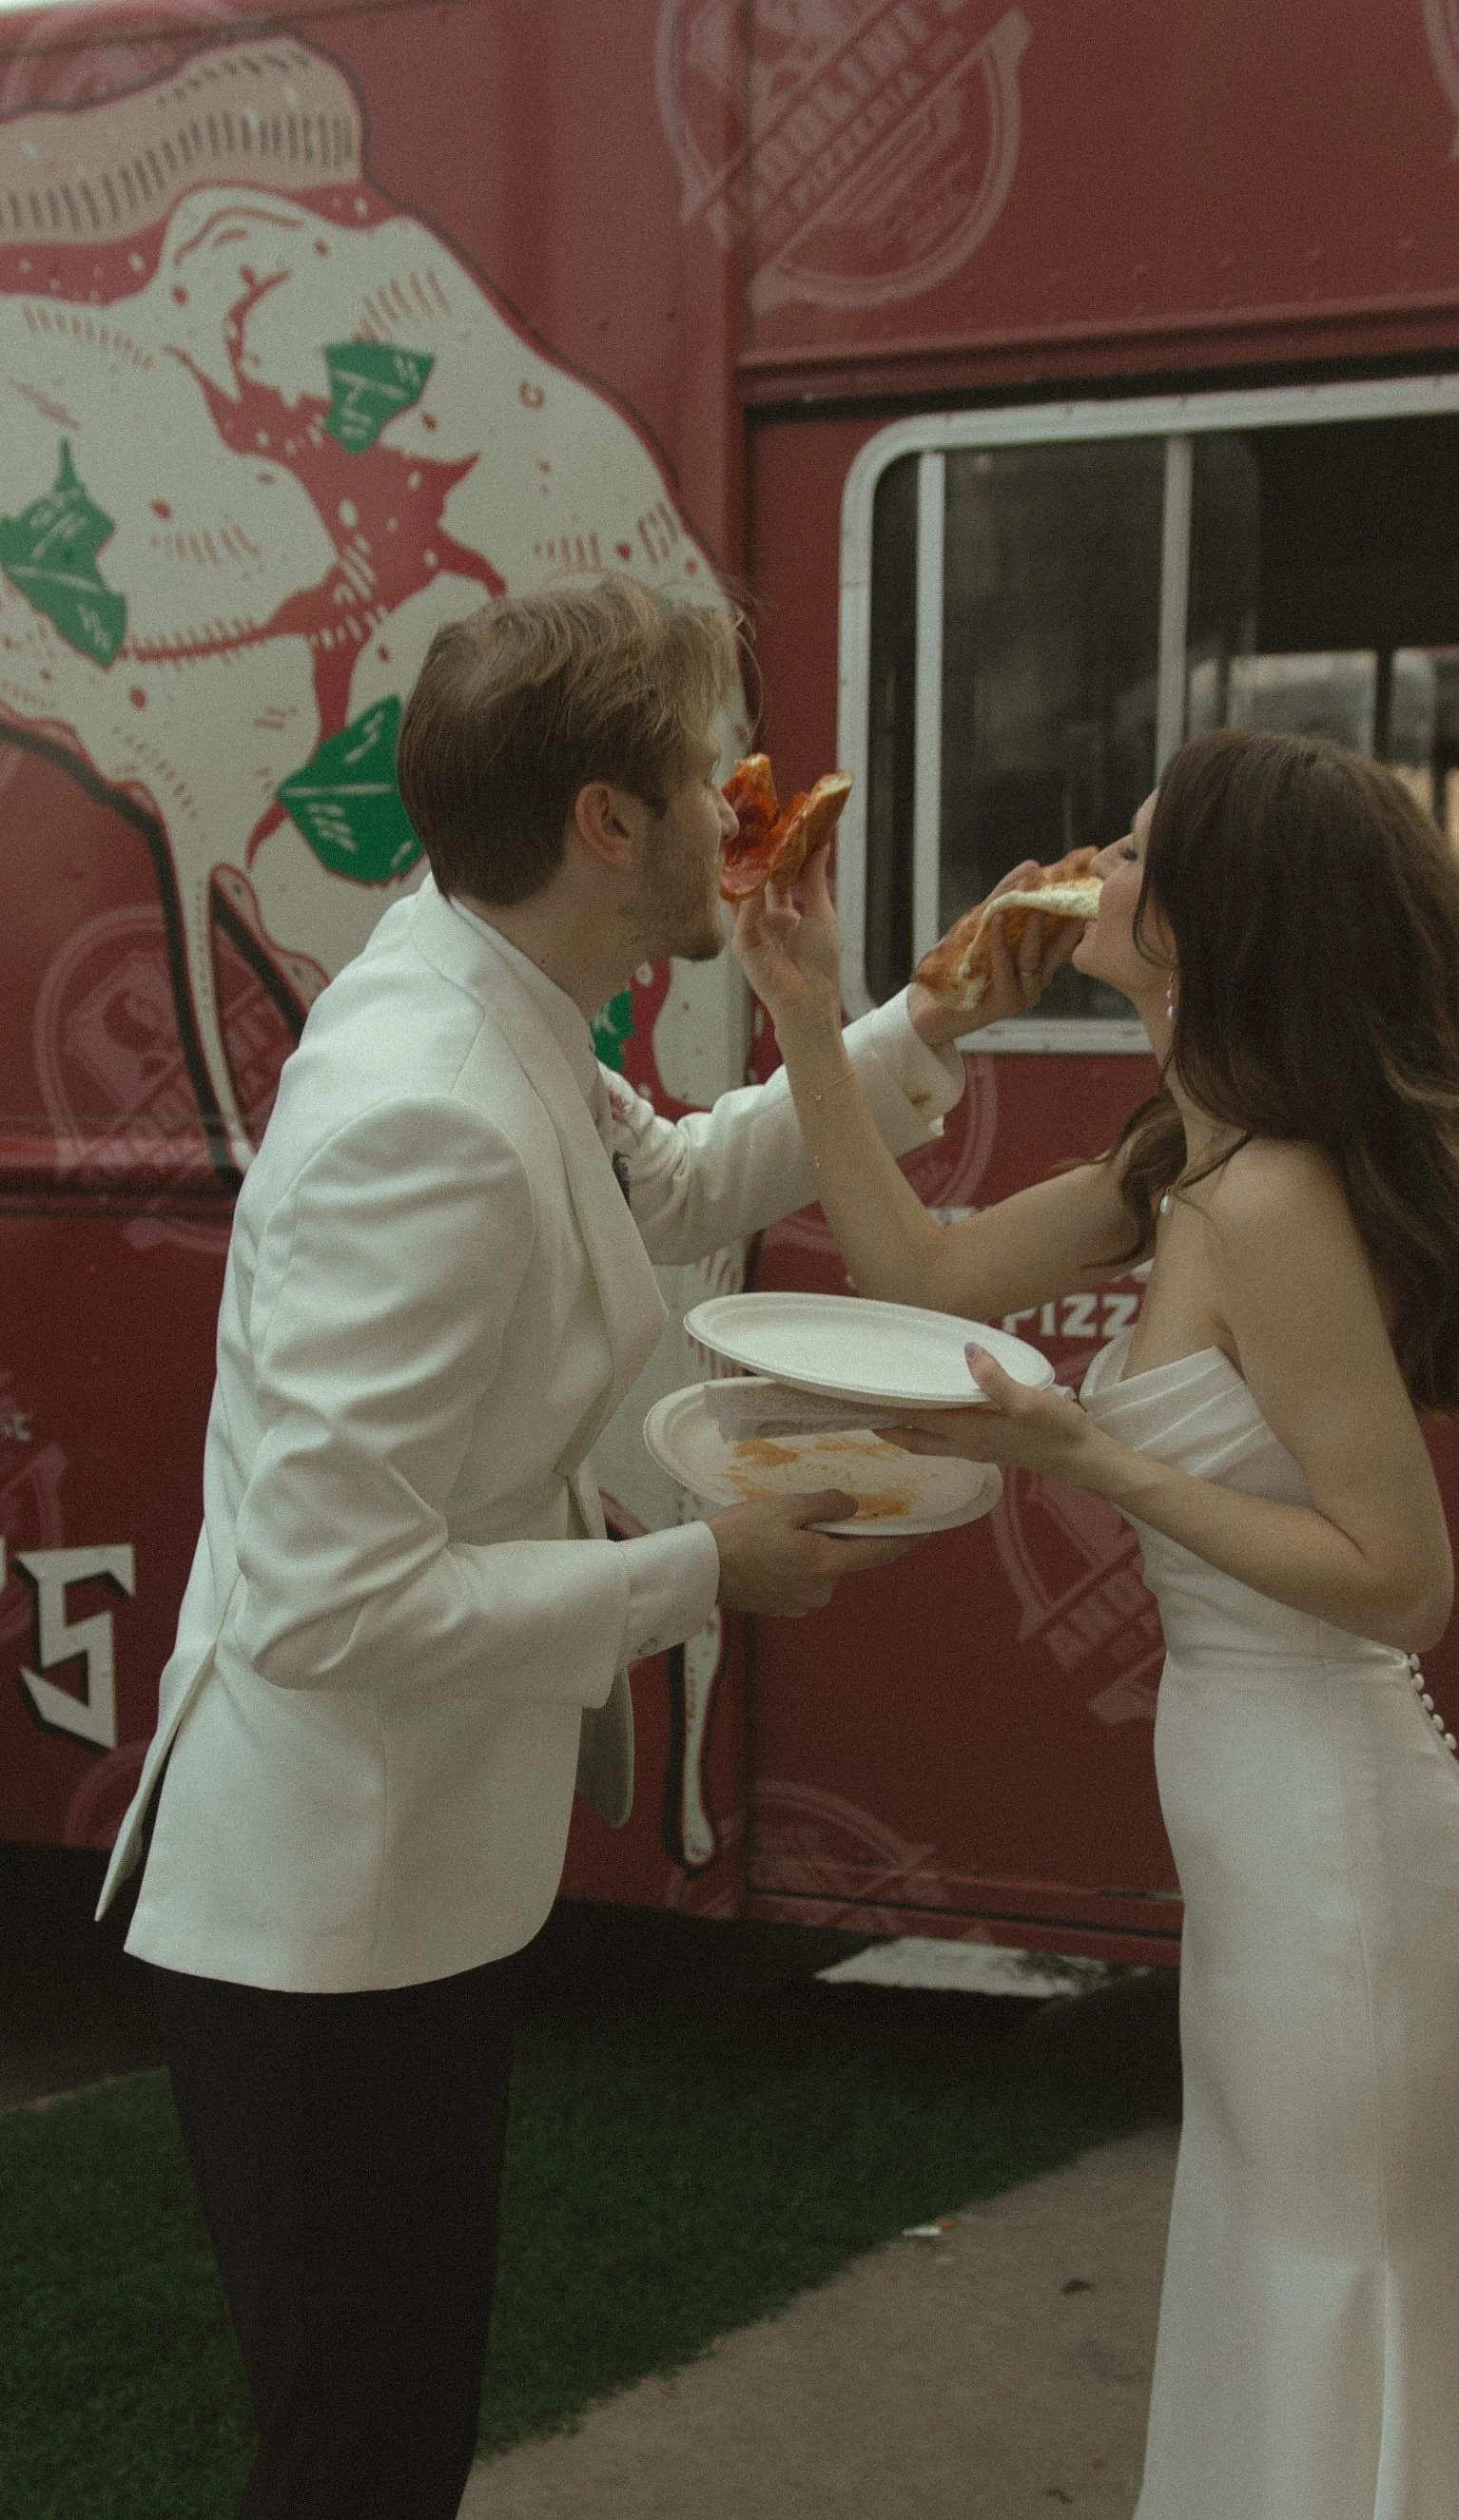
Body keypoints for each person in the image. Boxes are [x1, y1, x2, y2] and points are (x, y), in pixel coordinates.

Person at [93, 576, 1033, 2520]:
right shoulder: (422, 1106)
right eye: (704, 773)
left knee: (389, 2432)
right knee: (359, 2453)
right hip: (324, 1915)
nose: (737, 804)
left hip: (399, 1881)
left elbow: (674, 1177)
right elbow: (328, 1595)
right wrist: (707, 1571)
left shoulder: (486, 983)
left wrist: (920, 1015)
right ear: (608, 824)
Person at [735, 726, 1459, 2520]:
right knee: (1308, 2294)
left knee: (1333, 2305)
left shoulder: (1268, 1197)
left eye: (1129, 851)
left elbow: (1399, 1574)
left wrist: (1085, 1451)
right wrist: (808, 1007)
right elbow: (918, 1270)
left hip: (1338, 1844)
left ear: (1205, 923)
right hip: (1273, 1827)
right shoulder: (1179, 1161)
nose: (1089, 868)